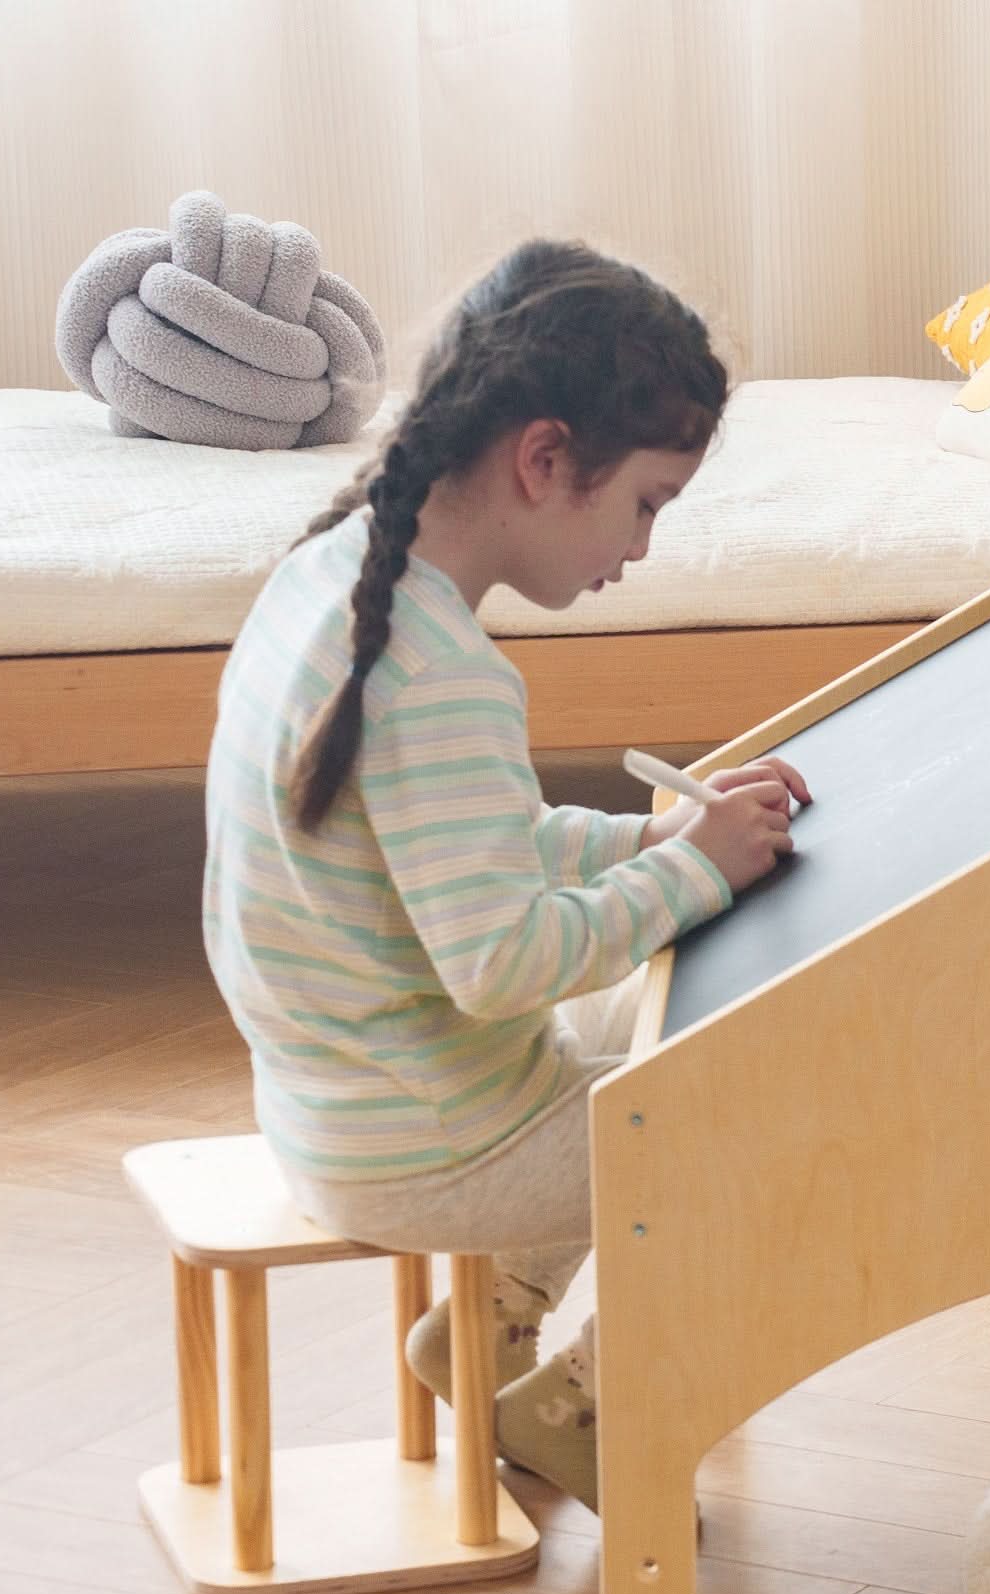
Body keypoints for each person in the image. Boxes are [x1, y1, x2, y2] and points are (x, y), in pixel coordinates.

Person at [202, 240, 804, 1507]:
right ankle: (585, 1400)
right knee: (761, 1115)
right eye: (645, 503)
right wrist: (694, 876)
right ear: (545, 458)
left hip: (336, 1097)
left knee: (638, 995)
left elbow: (470, 851)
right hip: (419, 1141)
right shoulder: (442, 672)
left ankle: (483, 1329)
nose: (640, 549)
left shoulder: (338, 580)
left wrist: (654, 847)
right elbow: (498, 963)